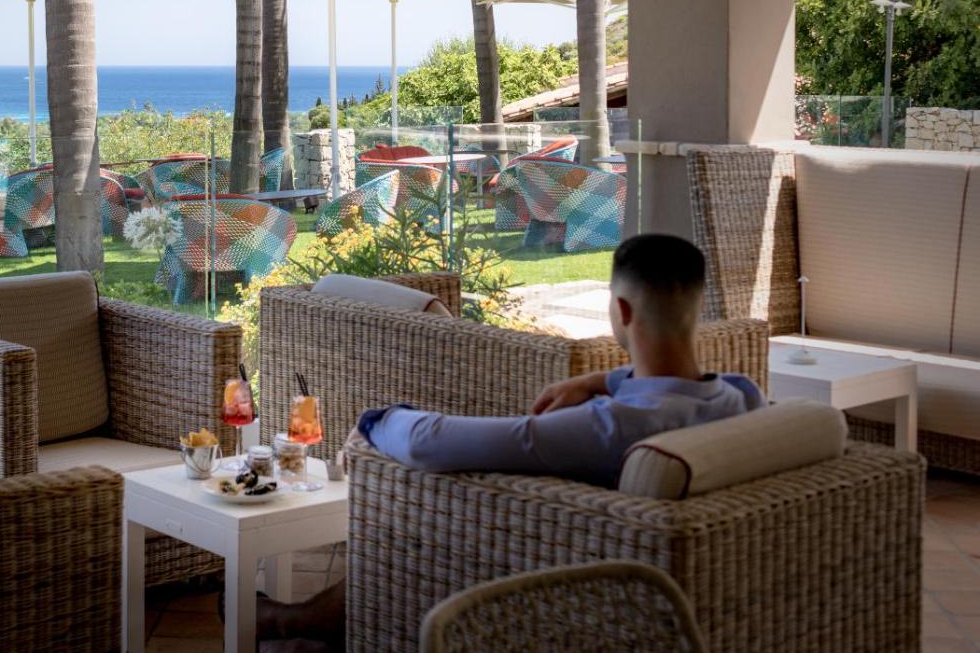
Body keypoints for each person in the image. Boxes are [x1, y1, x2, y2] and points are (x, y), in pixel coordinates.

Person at [256, 233, 764, 652]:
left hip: (553, 578)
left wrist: (376, 419)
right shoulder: (741, 398)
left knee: (431, 523)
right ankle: (312, 630)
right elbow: (669, 391)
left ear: (623, 310)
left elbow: (432, 441)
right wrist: (600, 380)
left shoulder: (607, 427)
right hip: (667, 581)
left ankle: (298, 622)